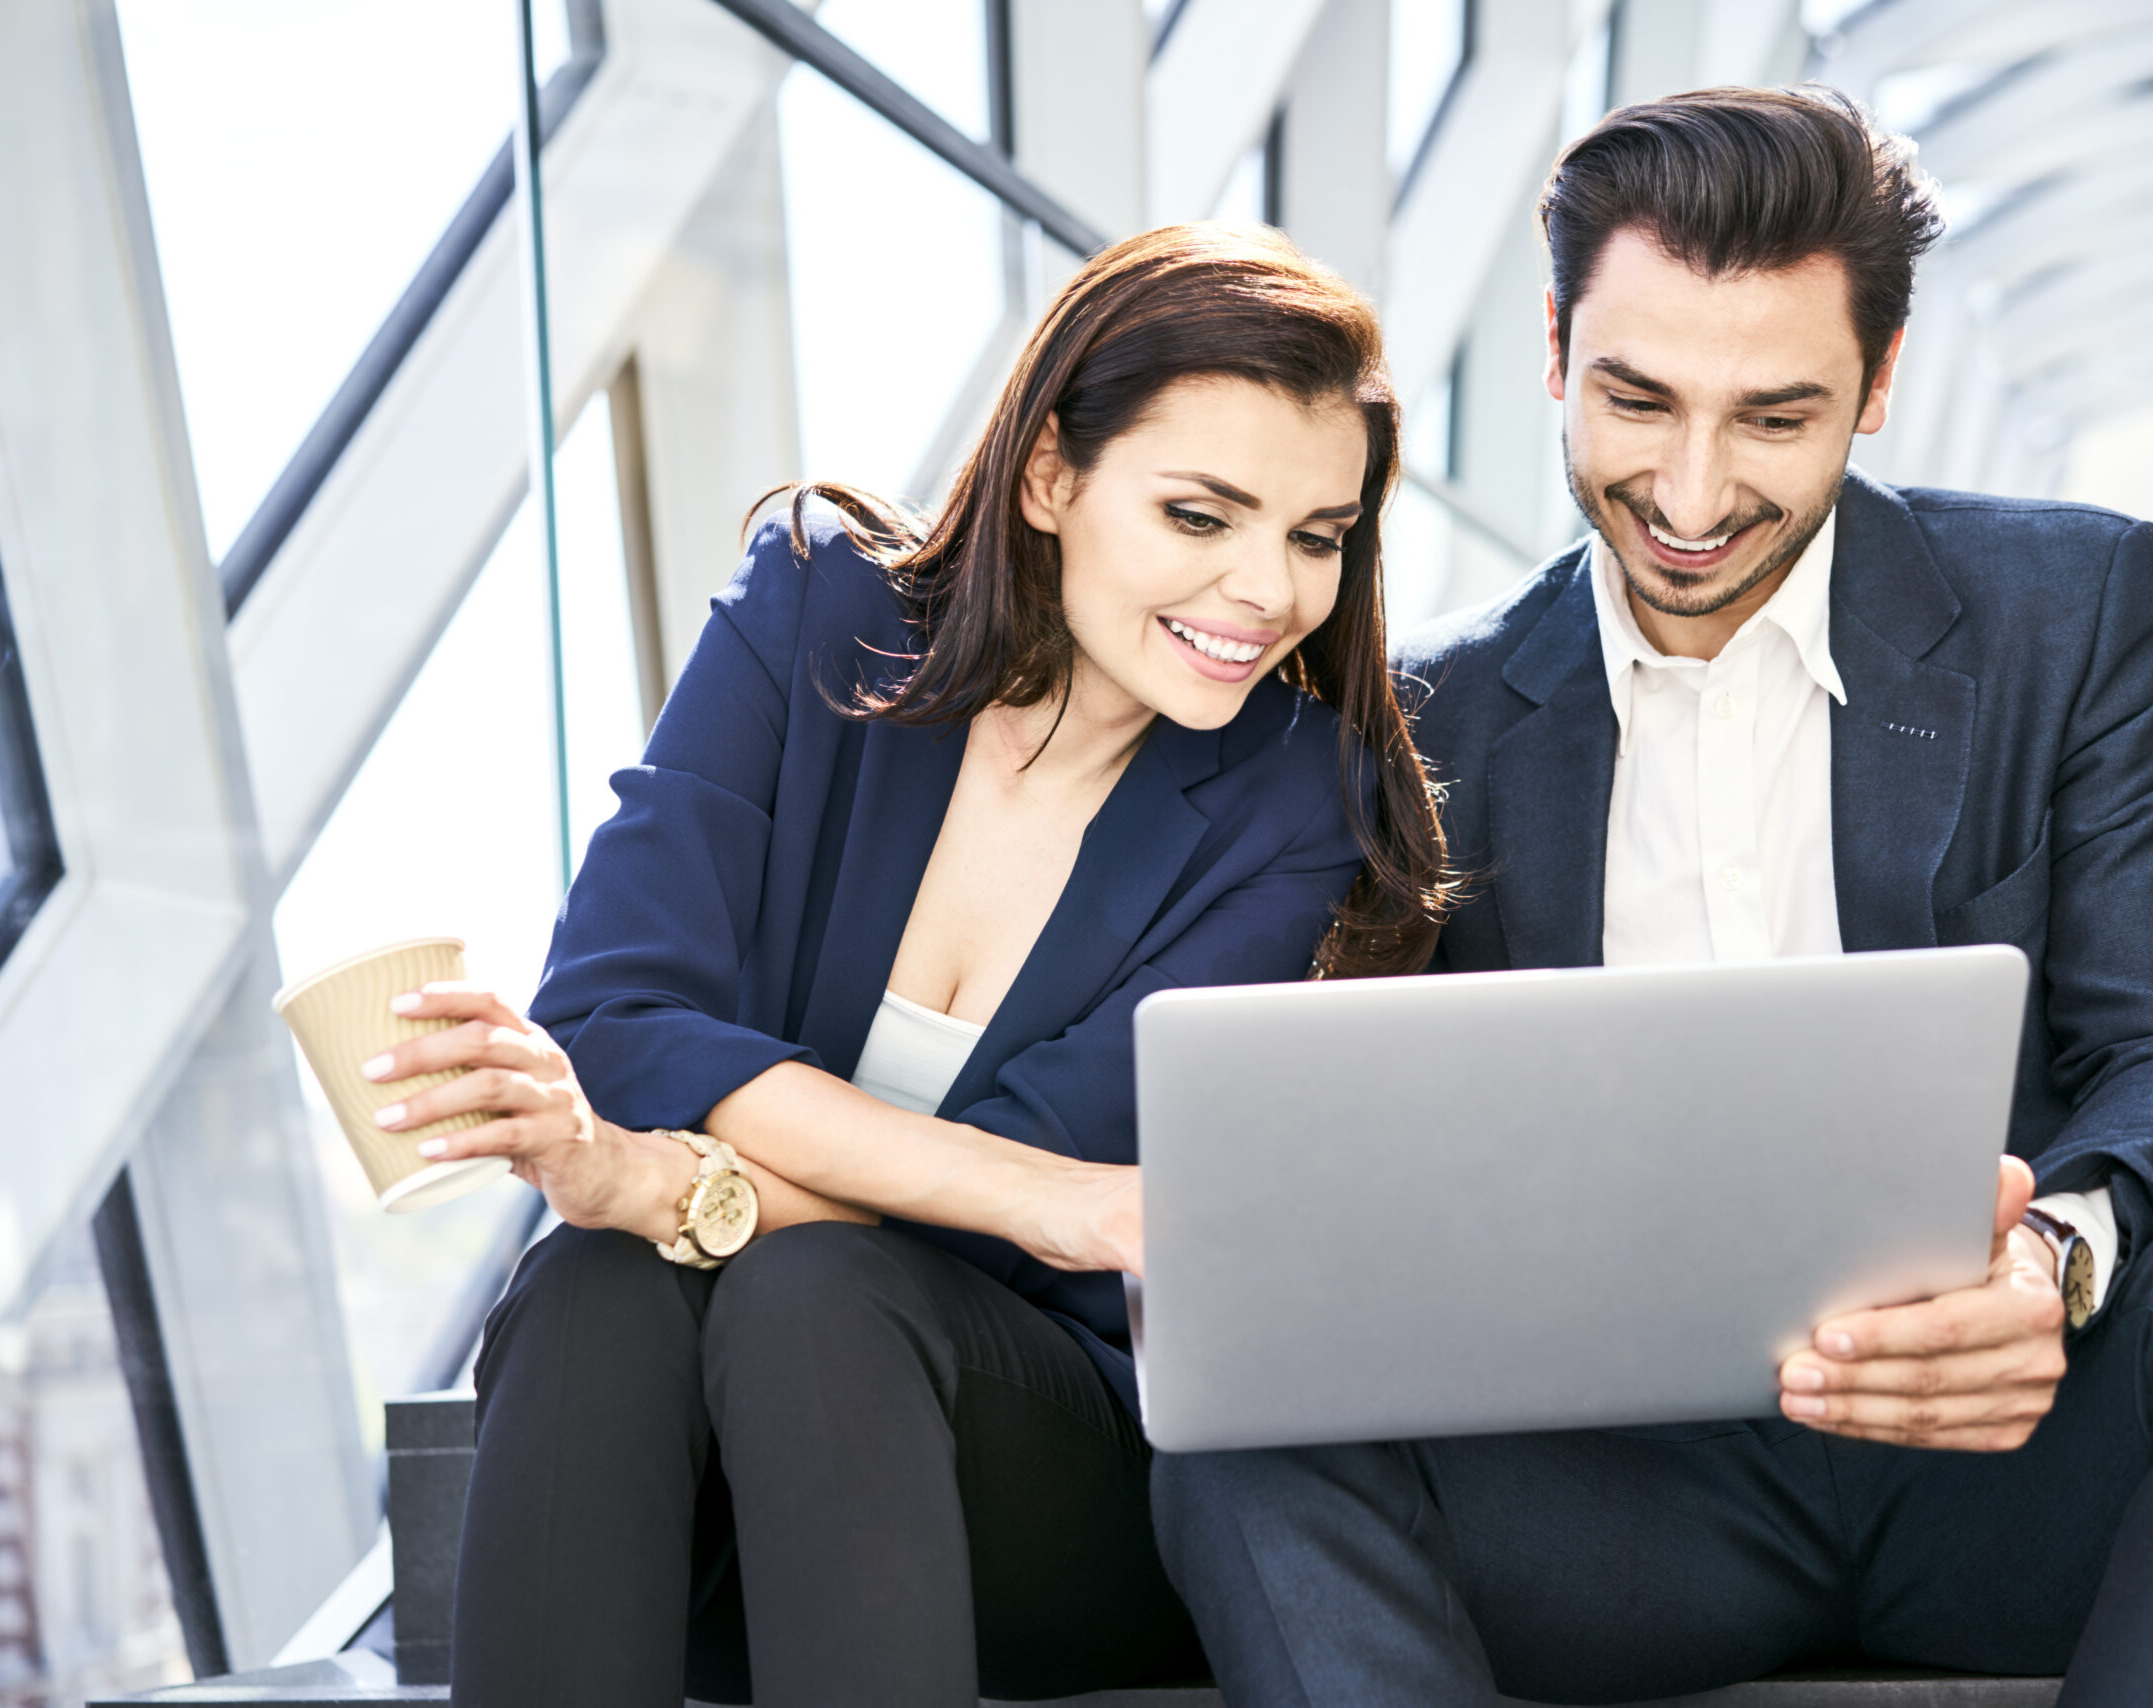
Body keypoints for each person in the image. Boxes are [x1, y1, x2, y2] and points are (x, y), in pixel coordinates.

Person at [1151, 87, 2153, 1708]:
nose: (1692, 497)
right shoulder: (1423, 716)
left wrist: (2051, 1262)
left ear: (1881, 383)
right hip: (1622, 1497)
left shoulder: (2079, 607)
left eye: (1775, 418)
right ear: (1552, 350)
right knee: (1242, 1422)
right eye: (1638, 402)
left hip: (2011, 1448)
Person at [357, 224, 1453, 1706]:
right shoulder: (816, 610)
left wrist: (669, 1179)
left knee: (816, 1292)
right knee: (594, 1293)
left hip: (1044, 1493)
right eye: (1203, 516)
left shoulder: (1301, 802)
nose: (1266, 590)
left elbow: (999, 1206)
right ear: (1052, 476)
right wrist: (665, 1198)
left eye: (1318, 537)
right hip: (724, 1499)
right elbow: (614, 1015)